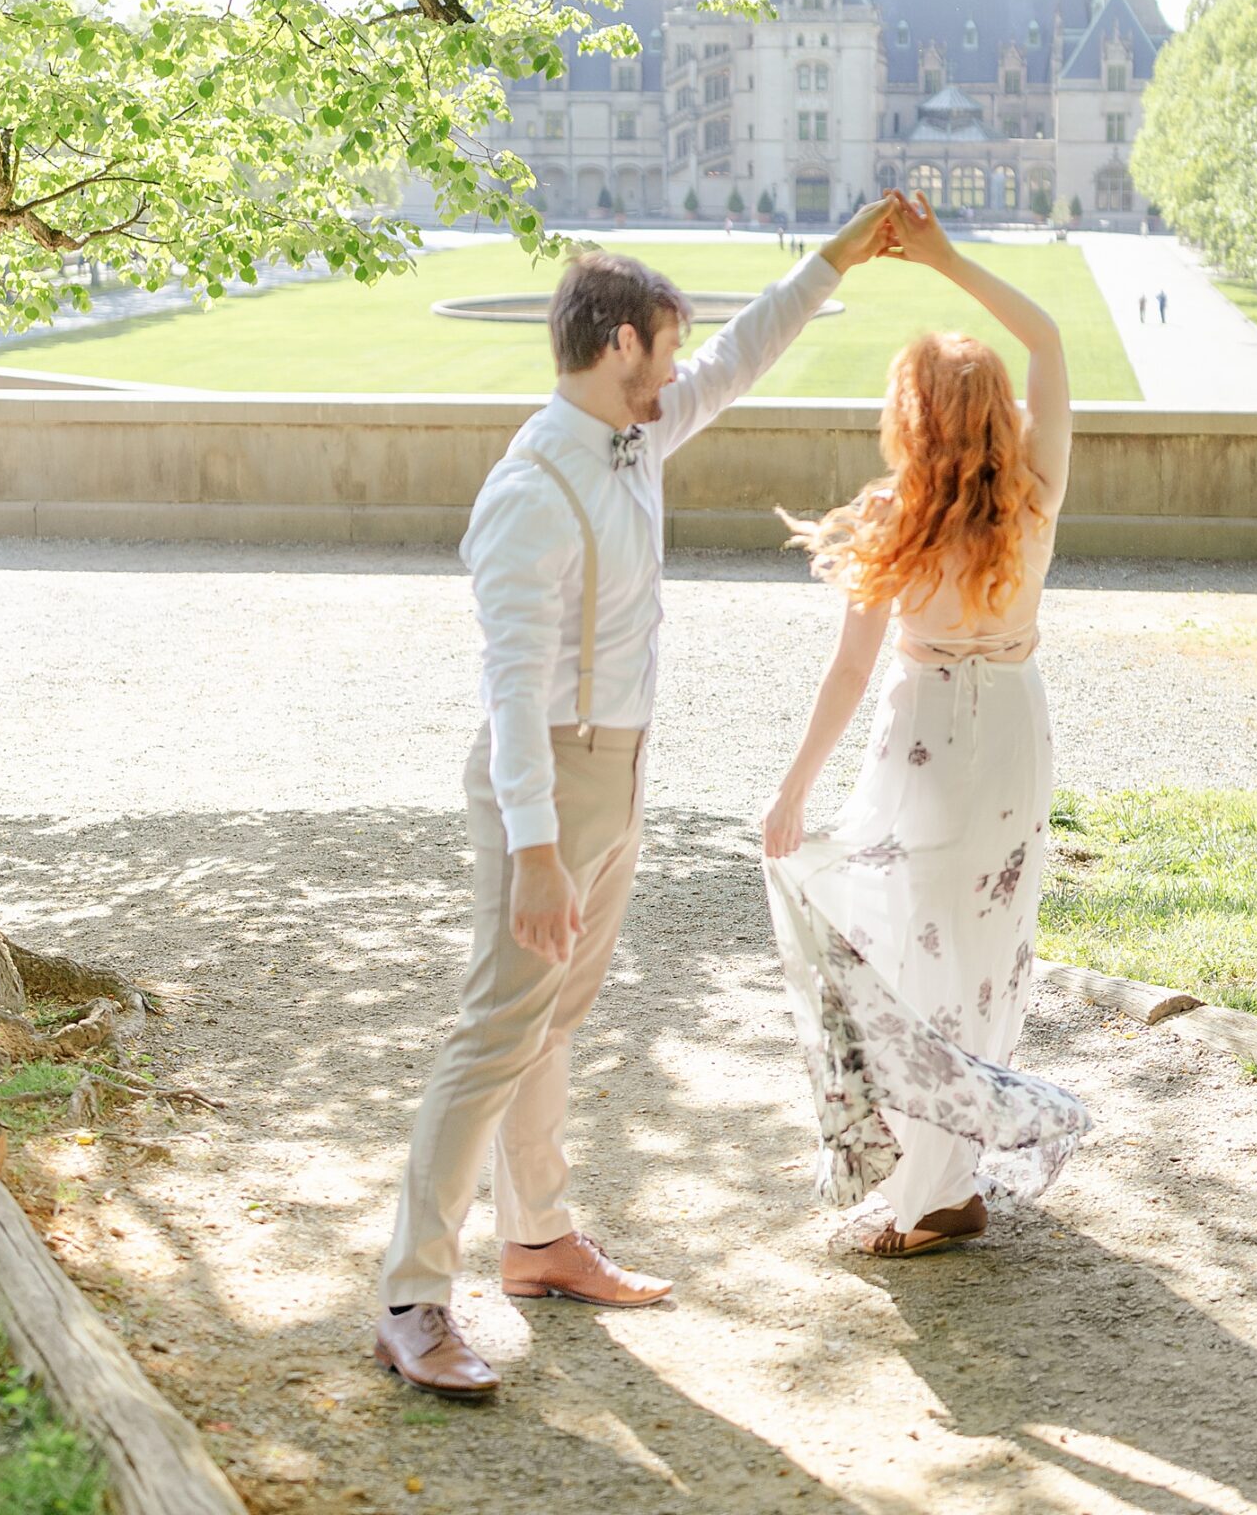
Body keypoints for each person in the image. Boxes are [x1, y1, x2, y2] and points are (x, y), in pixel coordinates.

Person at [375, 200, 898, 1395]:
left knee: (555, 1021)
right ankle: (411, 1293)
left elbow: (741, 355)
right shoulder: (530, 489)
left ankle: (540, 1239)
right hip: (547, 783)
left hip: (620, 770)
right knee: (493, 1029)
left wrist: (835, 257)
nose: (681, 368)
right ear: (620, 347)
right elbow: (511, 692)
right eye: (667, 346)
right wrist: (540, 849)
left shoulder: (637, 435)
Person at [762, 190, 1090, 1256]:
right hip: (1009, 734)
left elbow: (850, 673)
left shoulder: (895, 521)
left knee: (901, 947)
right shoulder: (1036, 491)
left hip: (923, 738)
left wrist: (794, 786)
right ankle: (944, 1177)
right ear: (996, 409)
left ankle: (936, 1186)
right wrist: (946, 257)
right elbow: (1044, 333)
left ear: (912, 419)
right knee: (984, 953)